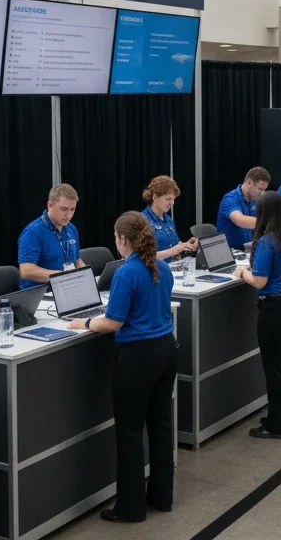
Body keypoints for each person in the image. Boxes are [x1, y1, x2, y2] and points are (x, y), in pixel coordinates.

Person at [66, 212, 176, 523]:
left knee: (129, 432)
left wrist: (84, 322)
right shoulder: (162, 267)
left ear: (123, 240)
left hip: (138, 357)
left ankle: (130, 508)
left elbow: (113, 321)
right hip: (166, 350)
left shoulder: (127, 273)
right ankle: (162, 497)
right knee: (160, 426)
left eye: (116, 237)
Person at [234, 191, 281, 439]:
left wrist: (242, 273)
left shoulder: (266, 242)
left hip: (275, 309)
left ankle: (276, 426)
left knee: (273, 368)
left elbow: (260, 281)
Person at [18, 184, 85, 288]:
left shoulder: (71, 228)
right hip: (40, 293)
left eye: (73, 209)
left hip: (66, 287)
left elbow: (76, 260)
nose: (69, 215)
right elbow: (26, 270)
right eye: (64, 209)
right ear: (50, 205)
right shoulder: (33, 232)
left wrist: (87, 277)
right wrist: (62, 277)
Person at [142, 176, 198, 260]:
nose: (171, 203)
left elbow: (175, 245)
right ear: (155, 198)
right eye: (168, 199)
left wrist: (186, 245)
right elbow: (144, 257)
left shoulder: (168, 219)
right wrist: (173, 251)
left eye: (173, 199)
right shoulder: (142, 221)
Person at [217, 167, 271, 249]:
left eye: (264, 190)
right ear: (249, 183)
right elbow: (239, 220)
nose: (262, 193)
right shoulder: (230, 199)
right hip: (228, 252)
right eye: (260, 189)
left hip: (246, 249)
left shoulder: (254, 199)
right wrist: (272, 223)